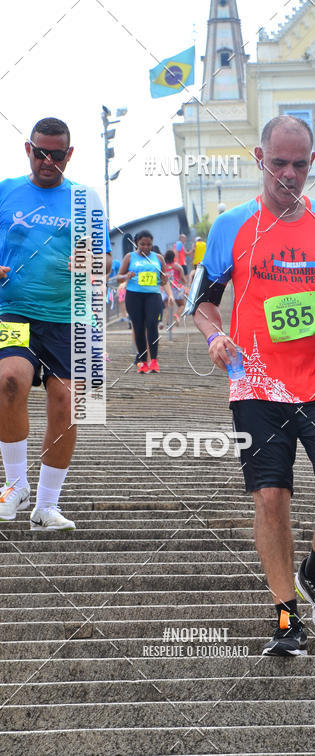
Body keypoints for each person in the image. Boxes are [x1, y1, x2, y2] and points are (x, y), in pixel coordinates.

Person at [192, 115, 315, 657]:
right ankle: (285, 617)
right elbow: (202, 303)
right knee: (271, 497)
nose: (289, 175)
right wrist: (214, 336)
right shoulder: (230, 226)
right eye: (279, 164)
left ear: (312, 163)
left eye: (299, 164)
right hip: (256, 383)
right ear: (259, 158)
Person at [0, 117, 111, 530]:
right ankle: (15, 484)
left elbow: (105, 261)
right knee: (8, 379)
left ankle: (46, 507)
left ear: (70, 154)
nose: (48, 161)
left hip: (73, 317)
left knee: (67, 406)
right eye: (41, 152)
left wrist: (90, 263)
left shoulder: (86, 199)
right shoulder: (6, 191)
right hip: (14, 309)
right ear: (28, 149)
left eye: (57, 154)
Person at [117, 230, 174, 373]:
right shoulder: (129, 257)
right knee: (138, 327)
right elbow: (118, 277)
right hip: (134, 295)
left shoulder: (159, 258)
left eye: (149, 244)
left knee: (152, 325)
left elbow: (163, 279)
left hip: (152, 295)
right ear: (137, 243)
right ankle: (143, 361)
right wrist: (126, 276)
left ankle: (154, 360)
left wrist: (165, 281)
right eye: (142, 244)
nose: (146, 247)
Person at [163, 249, 186, 322]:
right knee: (182, 305)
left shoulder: (163, 267)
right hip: (176, 288)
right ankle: (176, 315)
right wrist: (186, 284)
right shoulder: (177, 266)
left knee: (168, 307)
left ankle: (168, 323)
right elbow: (182, 278)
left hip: (166, 288)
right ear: (174, 257)